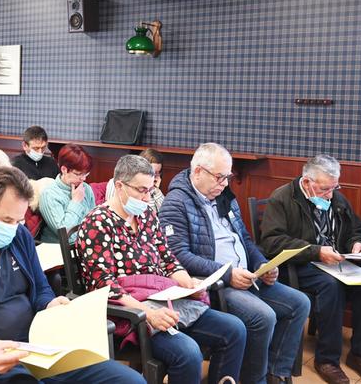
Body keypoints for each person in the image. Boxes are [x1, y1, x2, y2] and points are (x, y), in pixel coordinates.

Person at [0, 166, 145, 384]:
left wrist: (50, 303)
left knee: (130, 380)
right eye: (6, 220)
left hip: (39, 348)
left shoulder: (19, 236)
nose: (13, 228)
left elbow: (40, 289)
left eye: (19, 220)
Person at [77, 155, 246, 384]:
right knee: (188, 353)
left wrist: (187, 283)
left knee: (234, 329)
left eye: (150, 189)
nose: (147, 197)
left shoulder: (146, 215)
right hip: (128, 312)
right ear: (119, 186)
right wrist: (148, 314)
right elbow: (103, 285)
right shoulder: (97, 223)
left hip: (163, 299)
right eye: (141, 190)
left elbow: (167, 258)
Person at [160, 143, 310, 384]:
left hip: (247, 275)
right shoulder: (176, 202)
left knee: (300, 303)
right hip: (216, 284)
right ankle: (254, 380)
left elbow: (246, 240)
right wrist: (228, 274)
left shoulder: (224, 196)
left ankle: (276, 373)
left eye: (227, 177)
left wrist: (263, 264)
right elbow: (178, 255)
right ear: (198, 171)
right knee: (263, 316)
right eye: (219, 177)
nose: (225, 183)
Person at [260, 154, 361, 384]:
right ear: (307, 182)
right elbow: (271, 242)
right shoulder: (283, 198)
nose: (330, 194)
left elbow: (357, 229)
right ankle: (327, 360)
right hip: (299, 265)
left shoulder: (337, 198)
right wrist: (316, 251)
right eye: (325, 189)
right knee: (331, 285)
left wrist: (358, 243)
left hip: (334, 261)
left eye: (334, 188)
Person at [38, 144, 95, 243]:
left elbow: (93, 222)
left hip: (85, 245)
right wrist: (76, 202)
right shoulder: (49, 194)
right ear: (64, 169)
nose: (83, 178)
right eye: (78, 174)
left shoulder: (86, 188)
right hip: (59, 249)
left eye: (86, 174)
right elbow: (65, 234)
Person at [106, 148, 165, 214]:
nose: (154, 177)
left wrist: (155, 189)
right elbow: (144, 211)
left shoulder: (153, 187)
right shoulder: (115, 183)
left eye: (157, 173)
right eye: (152, 172)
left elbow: (164, 211)